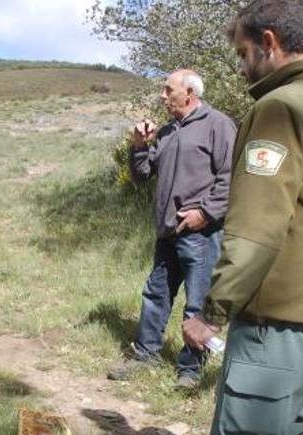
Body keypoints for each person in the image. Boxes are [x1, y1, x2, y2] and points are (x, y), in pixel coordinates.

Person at [181, 1, 303, 435]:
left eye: (242, 52)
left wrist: (211, 312)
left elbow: (256, 230)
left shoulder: (280, 108)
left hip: (272, 328)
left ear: (270, 42)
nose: (240, 66)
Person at [106, 69, 235, 390]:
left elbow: (230, 177)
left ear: (189, 93)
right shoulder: (165, 132)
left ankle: (189, 371)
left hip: (200, 234)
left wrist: (204, 213)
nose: (163, 96)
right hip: (167, 231)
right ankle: (145, 355)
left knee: (197, 304)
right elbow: (141, 174)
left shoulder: (217, 124)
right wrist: (138, 144)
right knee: (156, 294)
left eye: (168, 90)